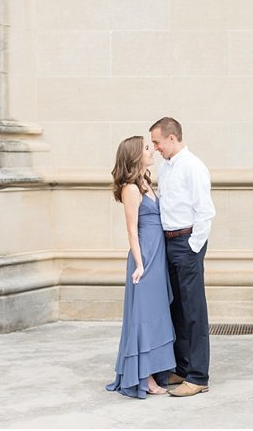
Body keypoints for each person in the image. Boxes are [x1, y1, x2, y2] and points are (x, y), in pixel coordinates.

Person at [105, 136, 176, 399]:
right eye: (147, 148)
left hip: (157, 255)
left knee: (157, 313)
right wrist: (139, 263)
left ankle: (155, 371)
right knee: (143, 317)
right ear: (135, 155)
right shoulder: (130, 189)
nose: (152, 150)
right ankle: (144, 378)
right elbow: (131, 230)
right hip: (144, 256)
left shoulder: (145, 181)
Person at [150, 117, 215, 397]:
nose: (154, 148)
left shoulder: (193, 167)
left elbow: (206, 211)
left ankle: (199, 376)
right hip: (168, 243)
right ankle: (182, 366)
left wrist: (192, 246)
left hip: (187, 243)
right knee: (176, 307)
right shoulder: (165, 168)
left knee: (193, 310)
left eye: (157, 142)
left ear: (172, 138)